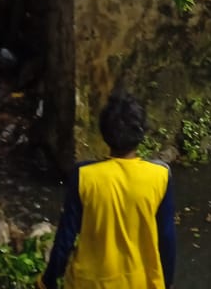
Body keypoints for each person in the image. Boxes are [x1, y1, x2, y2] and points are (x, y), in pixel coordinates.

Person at [39, 93, 176, 289]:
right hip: (141, 282)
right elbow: (167, 239)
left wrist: (48, 280)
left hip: (89, 283)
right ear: (141, 134)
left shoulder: (84, 175)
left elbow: (65, 238)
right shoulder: (160, 176)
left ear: (105, 133)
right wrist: (168, 282)